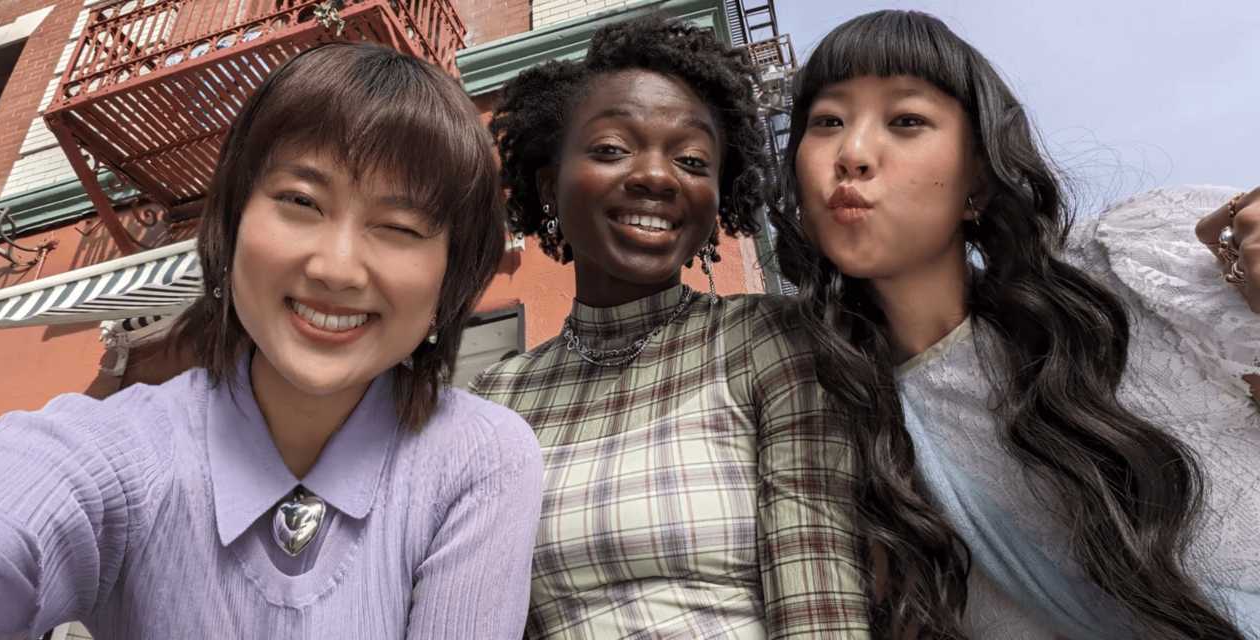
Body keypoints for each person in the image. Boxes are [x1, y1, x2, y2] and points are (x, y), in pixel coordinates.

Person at [0, 42, 542, 639]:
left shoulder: (480, 457)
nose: (337, 268)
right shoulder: (123, 448)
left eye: (400, 227)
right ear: (233, 221)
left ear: (449, 279)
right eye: (301, 201)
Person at [771, 10, 1258, 639]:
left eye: (906, 121)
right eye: (827, 122)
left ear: (976, 177)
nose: (853, 154)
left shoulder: (1116, 277)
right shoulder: (828, 415)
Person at [472, 14, 869, 639]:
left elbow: (821, 603)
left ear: (716, 199)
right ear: (549, 186)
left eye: (690, 159)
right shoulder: (493, 401)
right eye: (611, 149)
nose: (656, 176)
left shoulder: (769, 342)